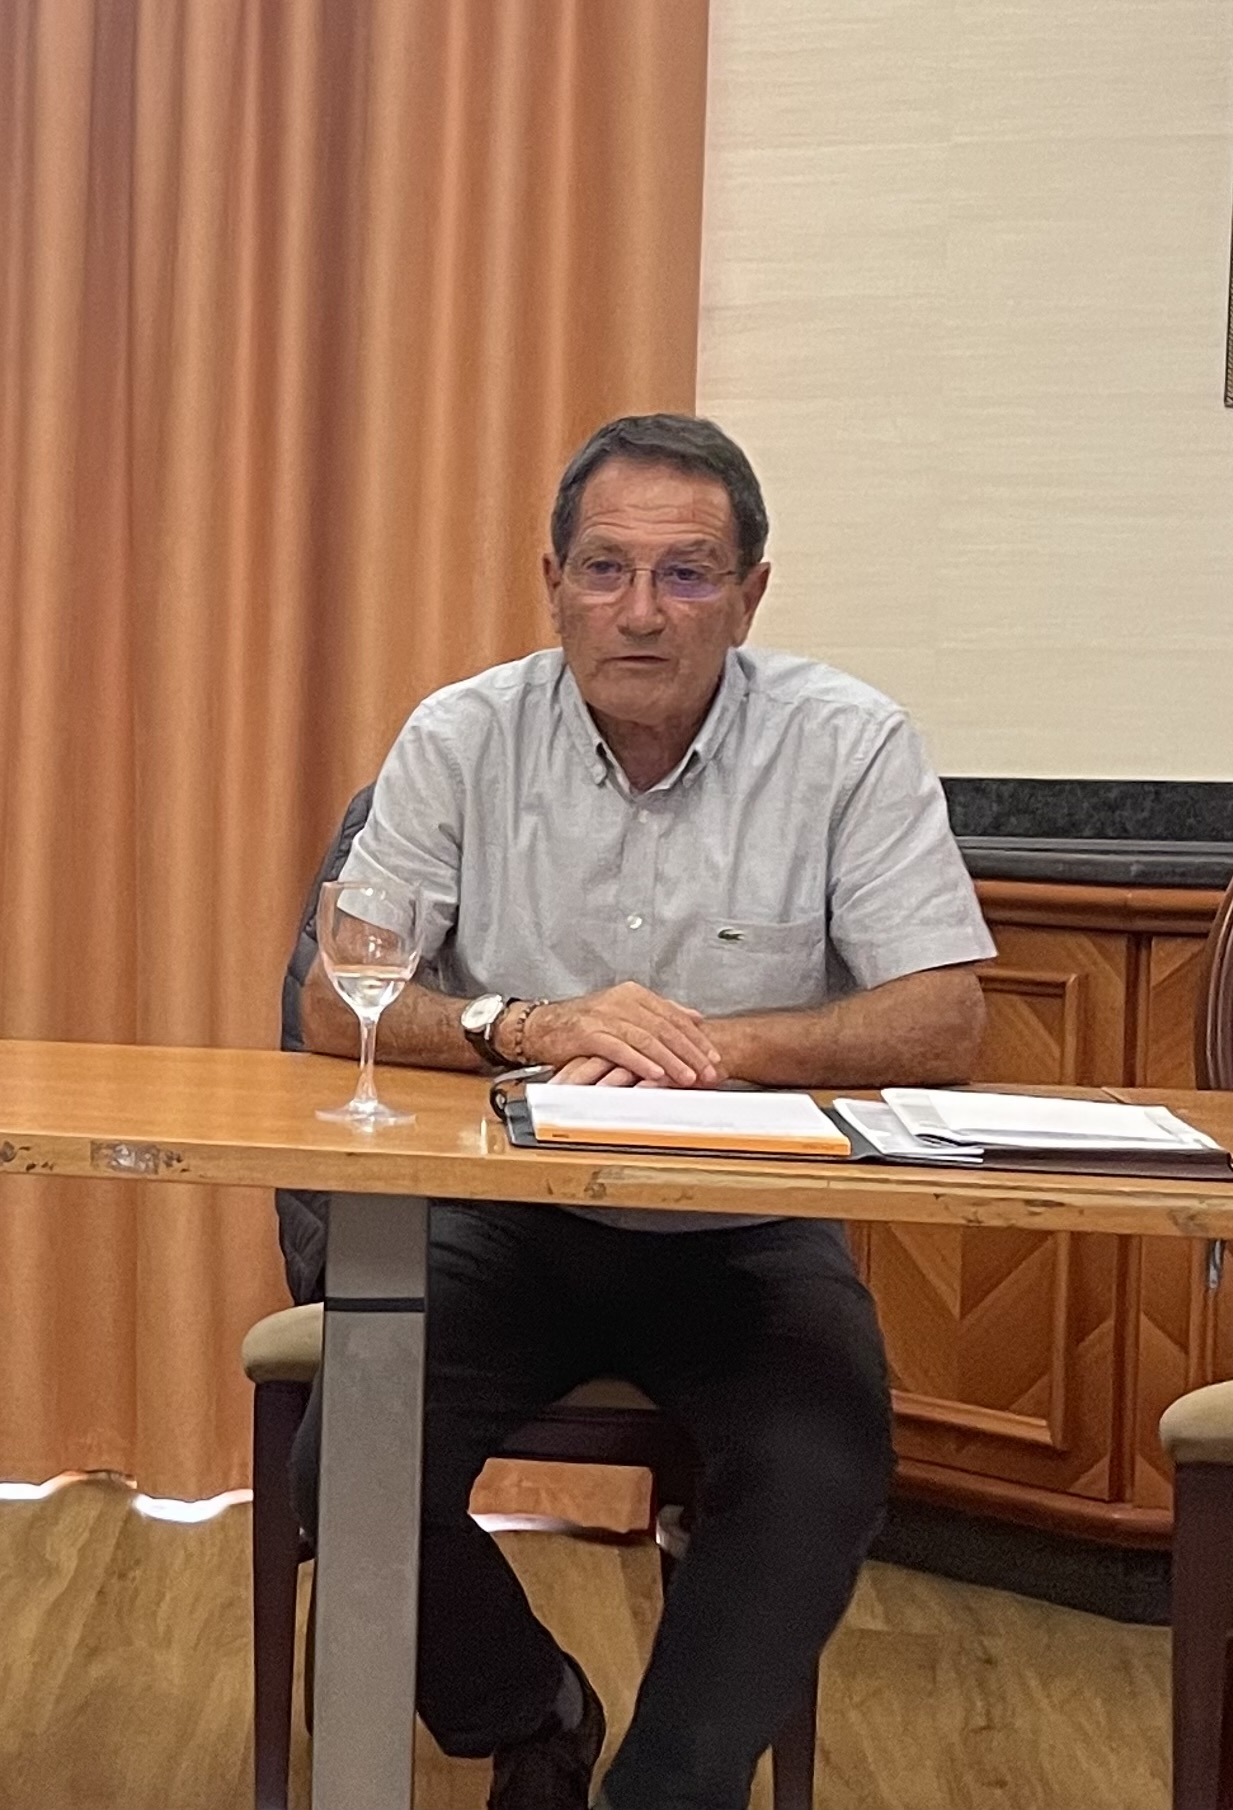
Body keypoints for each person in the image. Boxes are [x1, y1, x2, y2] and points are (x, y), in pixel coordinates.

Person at [295, 413, 991, 1810]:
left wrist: (712, 1048)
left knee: (818, 1468)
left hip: (744, 1225)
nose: (638, 610)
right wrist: (532, 1024)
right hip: (512, 1217)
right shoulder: (462, 732)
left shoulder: (845, 741)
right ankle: (528, 1708)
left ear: (748, 592)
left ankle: (661, 1789)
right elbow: (339, 996)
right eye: (604, 569)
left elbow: (941, 1014)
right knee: (349, 1463)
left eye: (685, 574)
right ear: (548, 577)